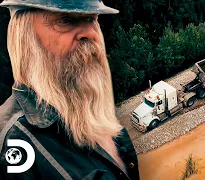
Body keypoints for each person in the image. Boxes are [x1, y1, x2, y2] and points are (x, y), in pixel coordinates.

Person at [0, 0, 139, 179]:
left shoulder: (92, 111)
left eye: (91, 19)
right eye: (65, 20)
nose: (90, 33)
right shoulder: (14, 144)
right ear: (25, 39)